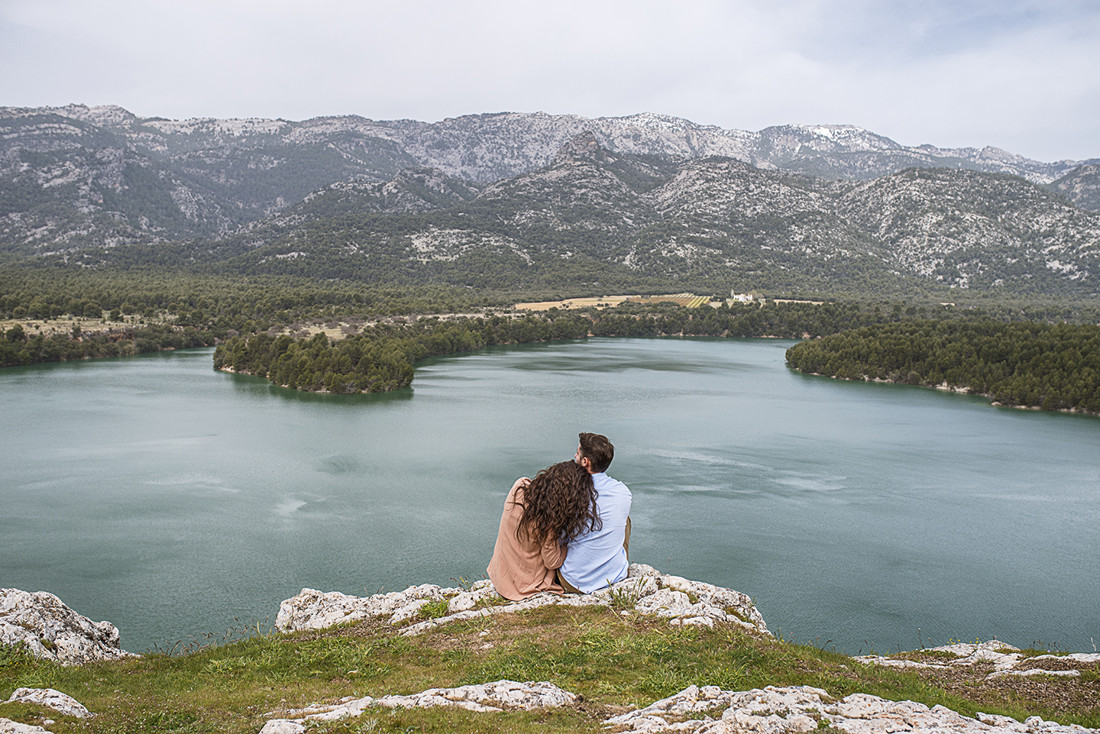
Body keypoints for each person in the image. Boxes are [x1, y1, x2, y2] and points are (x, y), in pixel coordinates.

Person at [487, 460, 601, 601]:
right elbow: (552, 562)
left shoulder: (519, 486)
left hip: (501, 574)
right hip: (523, 584)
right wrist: (566, 546)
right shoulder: (548, 523)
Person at [557, 432, 632, 593]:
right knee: (625, 521)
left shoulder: (572, 494)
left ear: (585, 462)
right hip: (615, 576)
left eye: (577, 453)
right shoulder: (623, 492)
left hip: (575, 582)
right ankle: (610, 563)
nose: (574, 456)